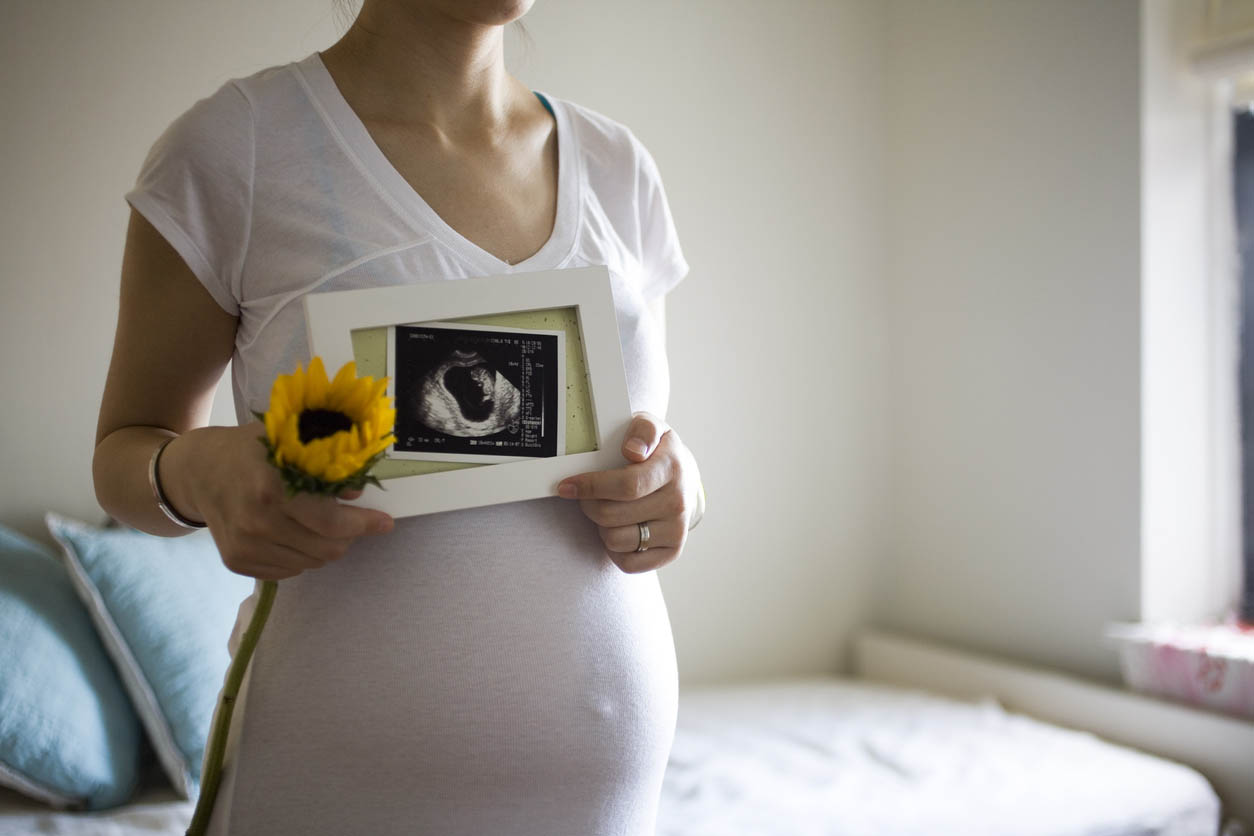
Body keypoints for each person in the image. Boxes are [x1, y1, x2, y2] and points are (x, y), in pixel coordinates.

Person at [91, 0, 702, 833]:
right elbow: (125, 455)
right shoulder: (239, 149)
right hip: (333, 789)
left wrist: (679, 490)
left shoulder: (618, 166)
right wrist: (196, 472)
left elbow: (646, 441)